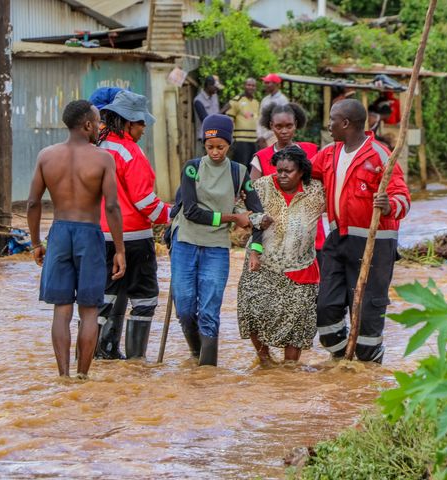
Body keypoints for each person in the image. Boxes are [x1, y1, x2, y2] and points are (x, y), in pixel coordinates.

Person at [26, 99, 126, 378]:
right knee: (89, 310)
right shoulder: (103, 158)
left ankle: (63, 377)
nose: (100, 127)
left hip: (58, 233)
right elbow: (112, 206)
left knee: (62, 309)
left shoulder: (46, 156)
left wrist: (36, 243)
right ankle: (83, 375)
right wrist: (119, 249)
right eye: (97, 121)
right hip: (89, 234)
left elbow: (33, 203)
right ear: (86, 125)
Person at [311, 99, 411, 363]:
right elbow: (308, 172)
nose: (328, 124)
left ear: (345, 123)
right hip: (337, 239)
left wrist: (390, 205)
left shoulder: (379, 155)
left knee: (368, 309)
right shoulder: (329, 153)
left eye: (332, 119)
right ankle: (342, 358)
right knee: (326, 306)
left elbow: (403, 197)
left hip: (374, 243)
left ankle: (367, 369)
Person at [170, 114, 267, 367]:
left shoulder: (239, 172)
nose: (215, 152)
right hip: (185, 241)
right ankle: (196, 355)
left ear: (229, 145)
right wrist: (232, 217)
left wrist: (256, 246)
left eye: (220, 147)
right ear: (204, 144)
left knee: (210, 312)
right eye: (210, 147)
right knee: (184, 308)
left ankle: (207, 371)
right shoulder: (192, 168)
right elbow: (191, 211)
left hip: (216, 248)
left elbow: (257, 215)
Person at [95, 91, 171, 360]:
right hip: (134, 237)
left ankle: (99, 356)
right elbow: (145, 201)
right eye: (141, 123)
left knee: (104, 298)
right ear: (128, 123)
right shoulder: (130, 153)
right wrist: (171, 215)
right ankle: (136, 363)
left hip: (99, 235)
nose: (144, 128)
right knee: (144, 299)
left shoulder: (99, 146)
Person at [237, 146, 325, 364]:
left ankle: (290, 369)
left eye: (289, 171)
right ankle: (265, 360)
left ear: (302, 172)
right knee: (253, 312)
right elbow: (239, 206)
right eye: (280, 171)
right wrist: (255, 219)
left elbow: (340, 203)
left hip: (300, 266)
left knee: (297, 321)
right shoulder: (263, 185)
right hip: (262, 262)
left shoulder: (316, 190)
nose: (283, 175)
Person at [249, 102, 328, 263]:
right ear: (271, 126)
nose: (284, 131)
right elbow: (252, 196)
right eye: (279, 126)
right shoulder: (261, 158)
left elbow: (324, 188)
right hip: (274, 238)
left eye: (289, 126)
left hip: (310, 237)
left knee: (314, 285)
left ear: (296, 124)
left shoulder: (312, 152)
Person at [222, 77, 260, 169]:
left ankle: (249, 184)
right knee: (240, 167)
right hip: (240, 140)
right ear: (244, 86)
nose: (251, 87)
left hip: (254, 141)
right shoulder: (236, 100)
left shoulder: (256, 102)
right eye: (248, 85)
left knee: (252, 167)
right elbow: (229, 120)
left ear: (256, 88)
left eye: (253, 85)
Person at [256, 73, 289, 149]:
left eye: (268, 82)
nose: (265, 84)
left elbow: (283, 122)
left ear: (276, 84)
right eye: (265, 82)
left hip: (276, 137)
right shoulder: (265, 100)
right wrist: (260, 136)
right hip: (262, 139)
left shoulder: (282, 100)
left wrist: (265, 136)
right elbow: (260, 118)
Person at [194, 75, 222, 152]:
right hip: (204, 139)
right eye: (215, 86)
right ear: (209, 85)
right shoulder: (198, 100)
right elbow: (206, 120)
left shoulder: (214, 96)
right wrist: (223, 110)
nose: (216, 89)